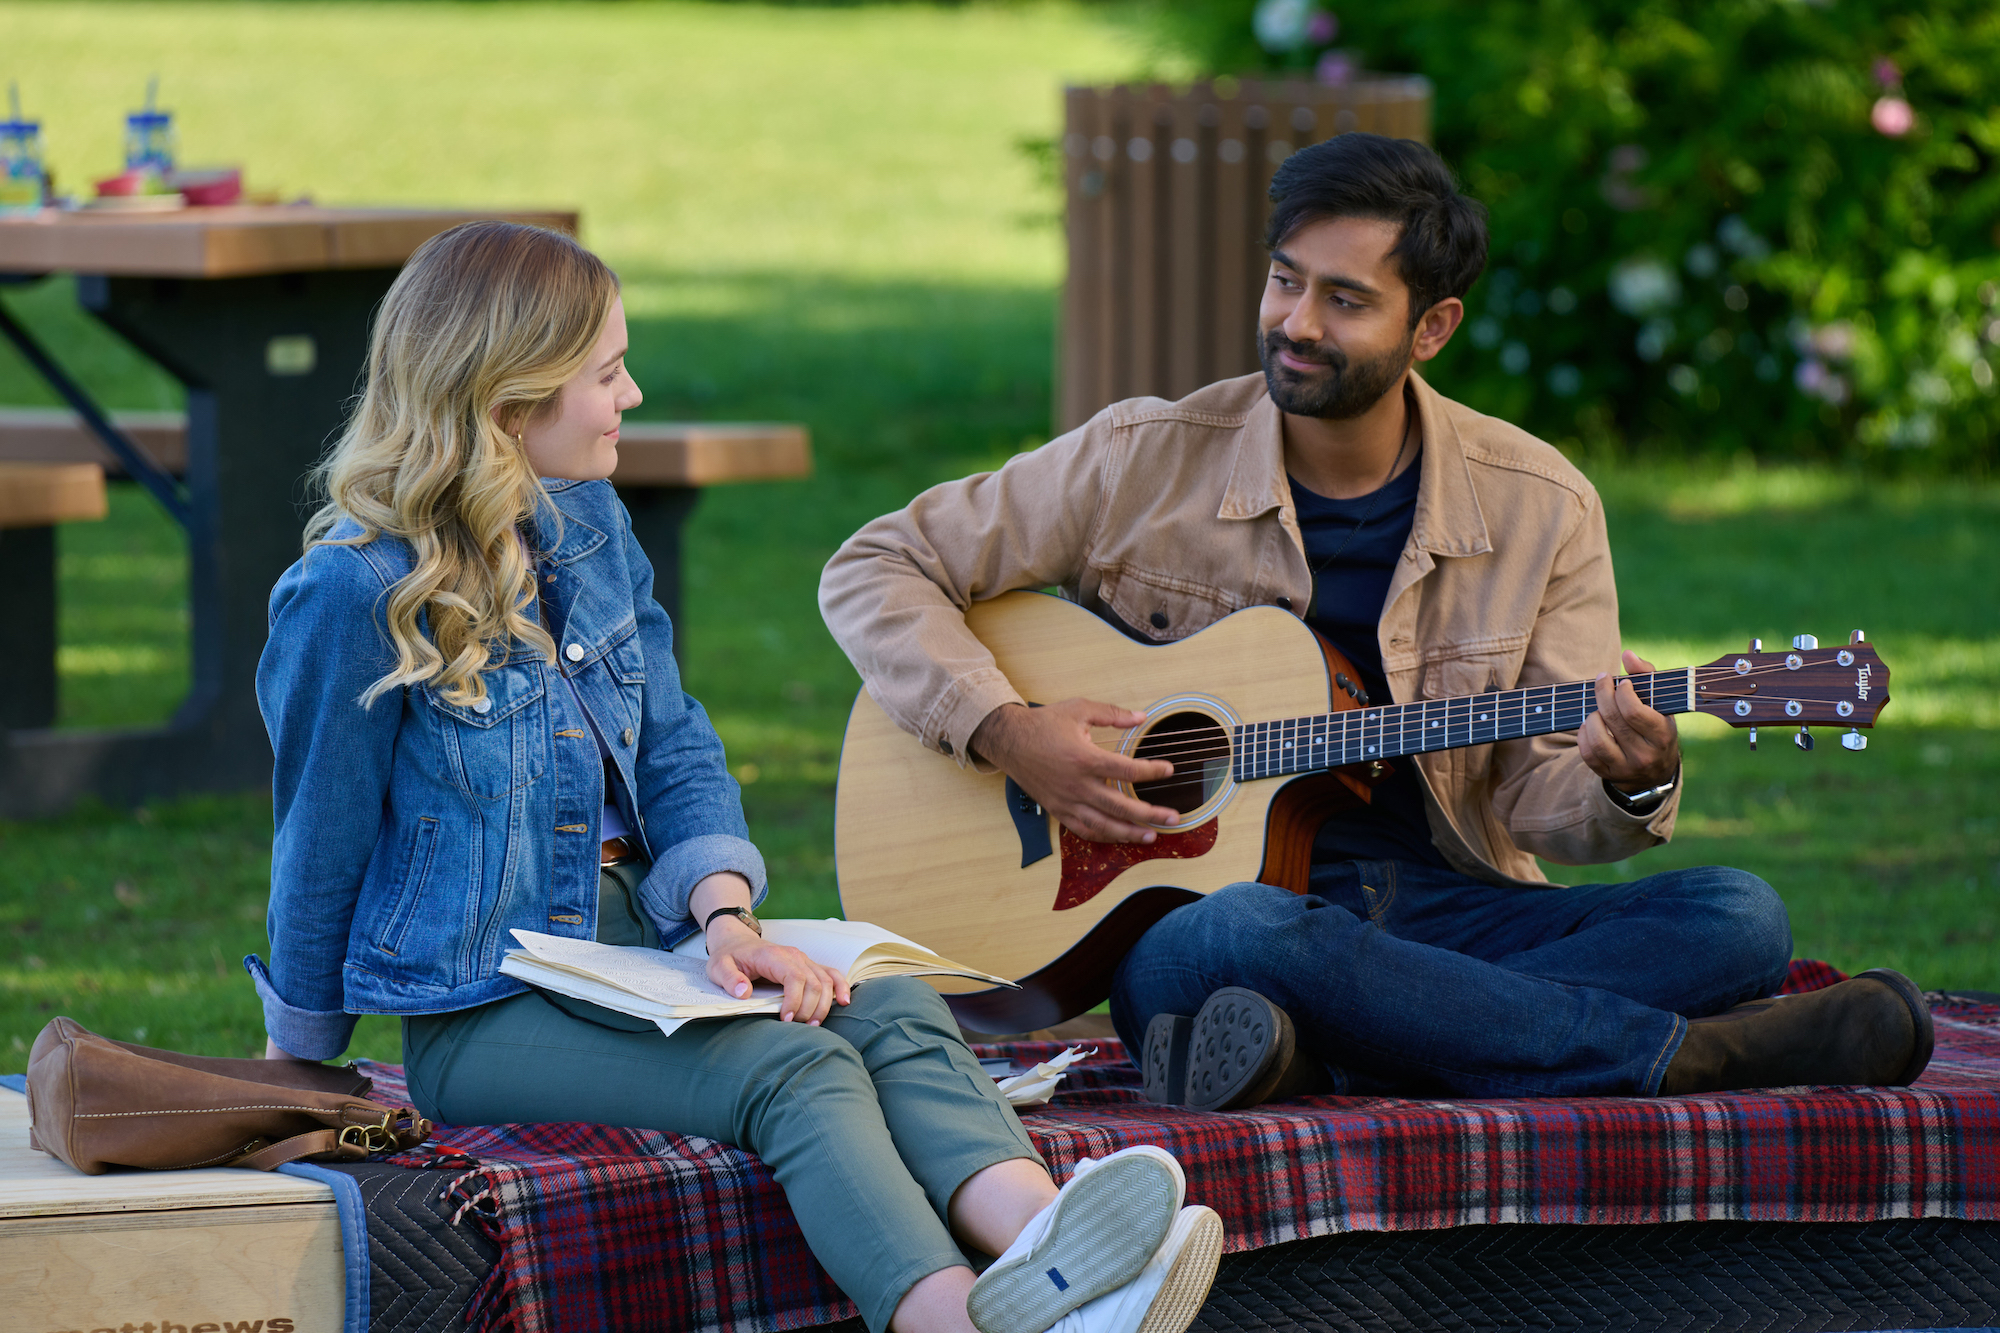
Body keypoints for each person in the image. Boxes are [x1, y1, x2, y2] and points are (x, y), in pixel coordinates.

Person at [818, 134, 1934, 1111]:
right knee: (1251, 930)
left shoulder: (1536, 505)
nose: (1294, 324)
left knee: (1737, 918)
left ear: (1431, 326)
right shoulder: (1140, 458)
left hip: (1446, 909)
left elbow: (1548, 813)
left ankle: (1337, 1052)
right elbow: (875, 564)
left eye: (1342, 301)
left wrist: (1624, 779)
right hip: (1203, 933)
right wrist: (1007, 732)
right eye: (1282, 282)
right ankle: (1677, 1059)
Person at [247, 220, 1222, 1333]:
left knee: (887, 1004)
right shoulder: (352, 595)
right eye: (607, 373)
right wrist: (298, 1065)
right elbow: (316, 835)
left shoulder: (591, 528)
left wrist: (726, 917)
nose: (635, 393)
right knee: (793, 1073)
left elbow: (674, 747)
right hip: (489, 1006)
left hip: (643, 953)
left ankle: (1064, 1265)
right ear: (511, 399)